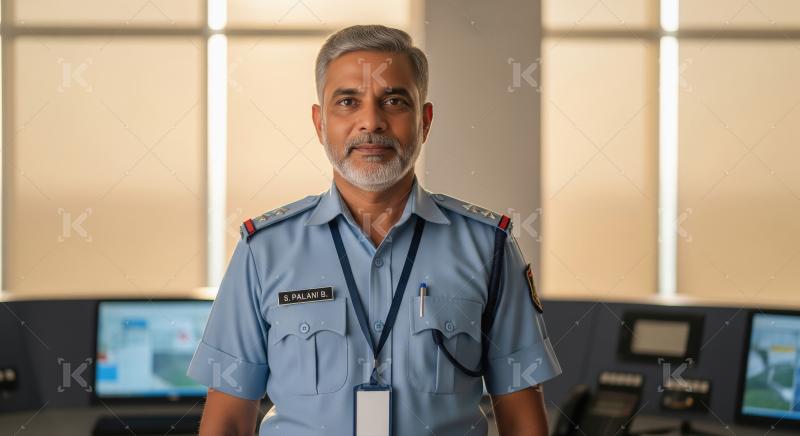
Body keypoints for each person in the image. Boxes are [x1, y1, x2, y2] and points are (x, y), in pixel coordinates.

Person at [187, 24, 561, 436]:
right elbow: (226, 421)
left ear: (425, 121)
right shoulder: (264, 250)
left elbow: (523, 418)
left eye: (394, 101)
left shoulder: (487, 247)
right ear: (319, 123)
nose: (371, 122)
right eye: (348, 101)